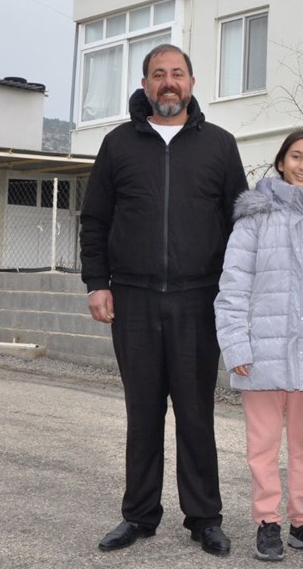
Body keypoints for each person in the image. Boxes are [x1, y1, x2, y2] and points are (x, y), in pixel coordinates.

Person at [80, 44, 247, 557]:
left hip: (200, 300)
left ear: (192, 83)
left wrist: (236, 292)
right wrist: (97, 282)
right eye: (159, 74)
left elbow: (242, 223)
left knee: (196, 413)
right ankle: (139, 516)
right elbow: (94, 219)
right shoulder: (117, 145)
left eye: (177, 74)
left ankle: (204, 518)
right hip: (133, 299)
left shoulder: (220, 145)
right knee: (143, 411)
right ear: (146, 83)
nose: (168, 82)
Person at [214, 130, 303, 562]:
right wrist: (236, 347)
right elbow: (233, 285)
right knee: (263, 446)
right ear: (281, 161)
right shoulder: (254, 216)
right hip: (261, 354)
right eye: (296, 156)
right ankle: (267, 522)